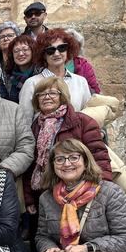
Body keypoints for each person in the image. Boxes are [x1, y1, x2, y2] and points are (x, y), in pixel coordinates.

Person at [23, 77, 111, 214]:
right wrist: (29, 198)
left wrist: (102, 191)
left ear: (62, 96)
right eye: (41, 94)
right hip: (44, 193)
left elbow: (99, 156)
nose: (46, 97)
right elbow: (31, 164)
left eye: (52, 93)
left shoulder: (82, 122)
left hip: (78, 191)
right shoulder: (35, 126)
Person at [19, 28, 91, 123]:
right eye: (50, 50)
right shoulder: (32, 83)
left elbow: (87, 117)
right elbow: (24, 122)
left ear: (67, 51)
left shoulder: (80, 82)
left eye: (61, 48)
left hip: (74, 137)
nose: (56, 53)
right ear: (43, 55)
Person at [0, 34, 35, 103]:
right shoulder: (9, 77)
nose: (21, 54)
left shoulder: (40, 74)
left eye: (25, 49)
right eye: (16, 51)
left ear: (33, 51)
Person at [65, 28, 101, 95]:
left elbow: (95, 90)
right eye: (68, 45)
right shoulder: (53, 62)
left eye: (75, 45)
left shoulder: (84, 65)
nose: (71, 48)